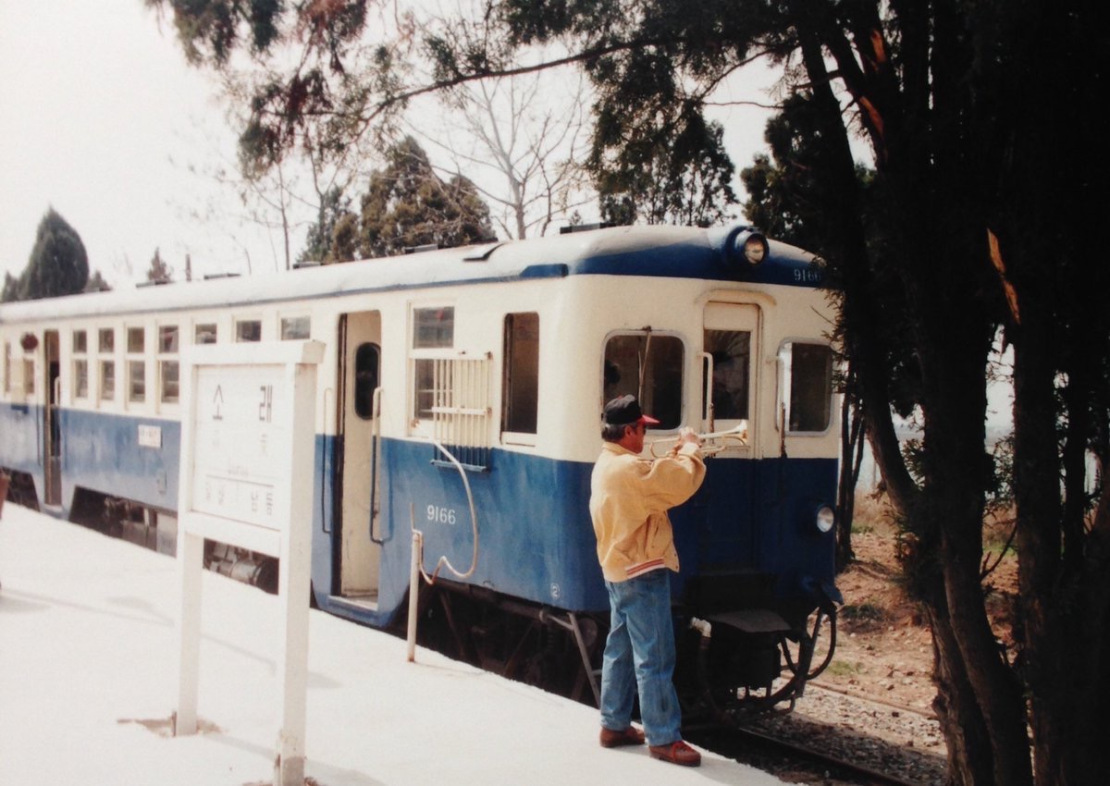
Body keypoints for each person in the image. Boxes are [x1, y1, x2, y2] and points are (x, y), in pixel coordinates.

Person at [589, 394, 706, 767]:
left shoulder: (607, 463)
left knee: (620, 650)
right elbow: (680, 484)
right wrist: (689, 449)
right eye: (642, 428)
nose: (645, 434)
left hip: (618, 569)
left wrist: (671, 458)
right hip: (642, 570)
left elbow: (651, 484)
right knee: (655, 656)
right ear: (628, 430)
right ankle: (663, 738)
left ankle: (614, 724)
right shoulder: (629, 471)